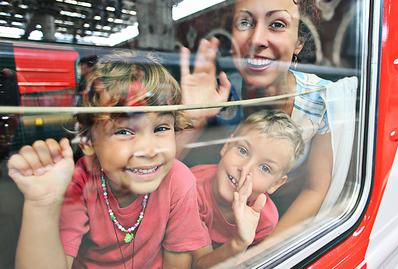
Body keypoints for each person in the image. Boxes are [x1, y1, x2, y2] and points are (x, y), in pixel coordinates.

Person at [7, 51, 210, 268]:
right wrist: (42, 204)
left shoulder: (178, 179)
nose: (149, 150)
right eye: (124, 131)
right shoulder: (79, 183)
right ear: (87, 141)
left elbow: (177, 260)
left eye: (160, 128)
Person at [180, 0, 333, 234]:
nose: (256, 39)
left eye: (278, 24)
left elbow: (315, 189)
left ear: (298, 43)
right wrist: (193, 118)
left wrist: (263, 252)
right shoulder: (219, 92)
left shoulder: (321, 100)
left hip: (283, 224)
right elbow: (162, 175)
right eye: (245, 22)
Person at [192, 110, 305, 268]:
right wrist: (238, 243)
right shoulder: (191, 189)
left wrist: (243, 243)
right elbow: (197, 265)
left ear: (276, 184)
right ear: (226, 146)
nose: (245, 169)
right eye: (243, 150)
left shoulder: (264, 220)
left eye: (265, 168)